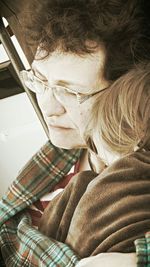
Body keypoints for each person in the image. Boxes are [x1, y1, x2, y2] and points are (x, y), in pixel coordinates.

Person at [0, 0, 150, 266]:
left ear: (129, 92)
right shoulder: (58, 155)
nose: (47, 107)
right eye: (40, 81)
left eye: (72, 92)